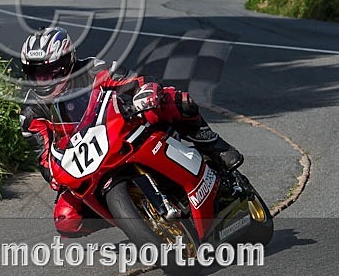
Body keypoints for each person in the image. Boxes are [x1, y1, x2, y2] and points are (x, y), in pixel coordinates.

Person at [19, 26, 244, 238]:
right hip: (83, 156)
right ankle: (133, 215)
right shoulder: (30, 112)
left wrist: (144, 93)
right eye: (36, 73)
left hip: (118, 126)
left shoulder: (93, 69)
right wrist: (55, 176)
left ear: (68, 61)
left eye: (50, 71)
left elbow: (134, 81)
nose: (43, 79)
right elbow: (44, 154)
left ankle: (213, 145)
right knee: (66, 218)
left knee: (174, 100)